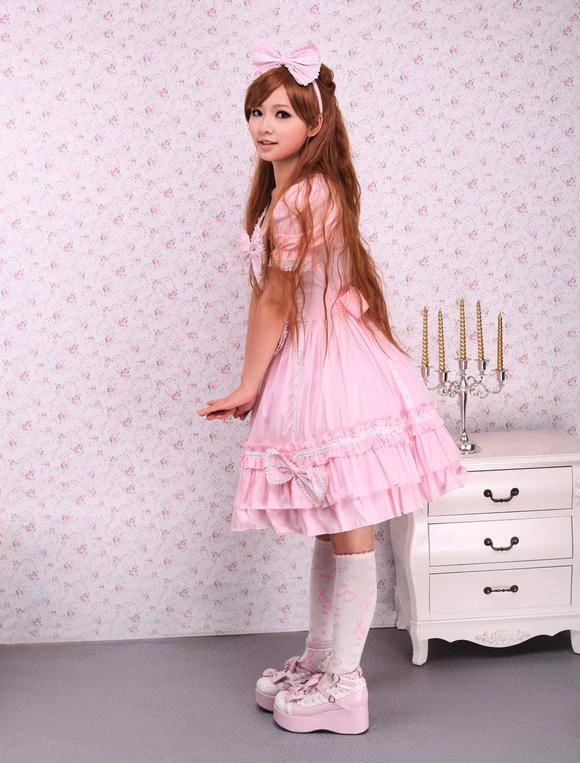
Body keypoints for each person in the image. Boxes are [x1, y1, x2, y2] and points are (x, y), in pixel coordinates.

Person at [197, 39, 466, 735]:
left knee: (348, 533)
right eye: (255, 112)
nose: (262, 125)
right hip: (324, 362)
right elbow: (275, 297)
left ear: (314, 122)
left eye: (281, 113)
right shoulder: (295, 192)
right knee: (332, 524)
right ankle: (323, 660)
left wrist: (248, 383)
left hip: (336, 372)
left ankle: (345, 684)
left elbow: (275, 300)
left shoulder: (303, 198)